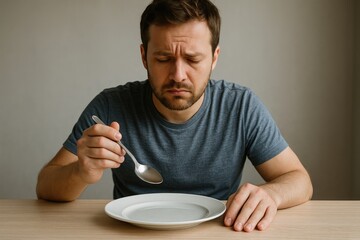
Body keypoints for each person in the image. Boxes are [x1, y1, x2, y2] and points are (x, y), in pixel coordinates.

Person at [36, 0, 313, 232]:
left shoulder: (241, 106)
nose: (178, 75)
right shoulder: (111, 105)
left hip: (218, 232)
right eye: (163, 59)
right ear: (144, 57)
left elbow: (299, 180)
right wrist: (82, 171)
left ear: (214, 58)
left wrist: (272, 194)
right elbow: (46, 186)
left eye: (193, 59)